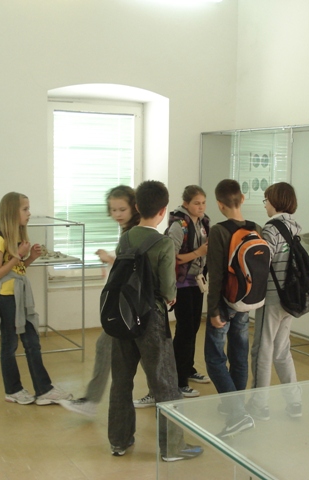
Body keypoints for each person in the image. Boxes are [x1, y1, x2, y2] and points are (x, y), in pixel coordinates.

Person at [107, 180, 203, 461]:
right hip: (151, 319)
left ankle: (119, 441)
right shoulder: (163, 243)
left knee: (121, 381)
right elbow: (169, 290)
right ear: (163, 211)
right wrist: (169, 298)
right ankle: (172, 447)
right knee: (165, 382)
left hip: (123, 316)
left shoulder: (126, 238)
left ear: (136, 207)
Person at [60, 185, 152, 416]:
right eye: (113, 210)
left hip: (133, 306)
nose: (117, 214)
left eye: (122, 209)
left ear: (134, 208)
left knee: (114, 347)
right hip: (130, 304)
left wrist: (110, 259)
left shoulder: (134, 233)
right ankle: (163, 393)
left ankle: (92, 401)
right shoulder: (128, 231)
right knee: (143, 353)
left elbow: (134, 267)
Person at [0, 192, 73, 405]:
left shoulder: (16, 238)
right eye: (25, 209)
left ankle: (43, 390)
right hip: (7, 298)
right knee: (10, 344)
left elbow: (17, 270)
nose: (29, 213)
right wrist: (18, 255)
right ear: (11, 212)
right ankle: (13, 390)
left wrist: (30, 257)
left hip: (20, 297)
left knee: (32, 342)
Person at [204, 179, 259, 438]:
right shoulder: (255, 228)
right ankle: (235, 406)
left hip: (225, 304)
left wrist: (213, 310)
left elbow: (216, 274)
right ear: (243, 198)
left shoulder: (219, 231)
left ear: (219, 204)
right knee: (239, 355)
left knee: (214, 358)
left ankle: (238, 414)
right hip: (246, 302)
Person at [248, 182, 303, 421]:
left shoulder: (271, 228)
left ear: (275, 201)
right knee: (281, 350)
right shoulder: (294, 226)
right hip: (290, 297)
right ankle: (294, 402)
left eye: (266, 200)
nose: (265, 205)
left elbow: (263, 261)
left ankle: (260, 404)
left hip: (272, 296)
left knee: (262, 349)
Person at [166, 185, 211, 399]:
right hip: (182, 283)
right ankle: (179, 379)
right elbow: (172, 257)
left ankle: (188, 368)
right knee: (184, 330)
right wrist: (198, 253)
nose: (201, 207)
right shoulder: (179, 226)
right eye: (196, 203)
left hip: (197, 281)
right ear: (186, 204)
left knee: (193, 328)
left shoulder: (203, 222)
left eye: (203, 203)